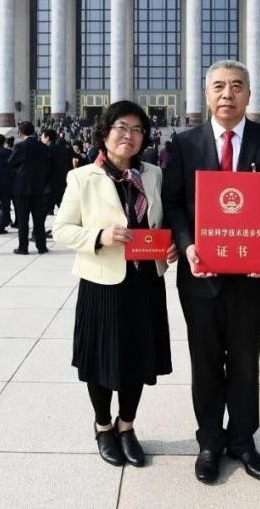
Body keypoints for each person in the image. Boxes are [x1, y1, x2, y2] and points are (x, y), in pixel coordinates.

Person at [162, 60, 260, 485]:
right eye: (218, 86)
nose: (227, 94)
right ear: (205, 94)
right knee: (204, 361)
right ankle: (209, 442)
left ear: (249, 94)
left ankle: (243, 439)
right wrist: (187, 246)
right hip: (201, 275)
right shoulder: (183, 144)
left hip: (255, 277)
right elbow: (175, 203)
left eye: (237, 86)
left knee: (244, 358)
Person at [54, 100, 178, 468]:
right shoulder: (82, 177)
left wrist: (169, 245)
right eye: (121, 128)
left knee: (139, 359)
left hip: (145, 281)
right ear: (105, 134)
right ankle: (103, 424)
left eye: (137, 130)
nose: (129, 136)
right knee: (101, 360)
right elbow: (61, 229)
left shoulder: (153, 174)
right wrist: (99, 236)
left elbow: (161, 220)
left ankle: (127, 426)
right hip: (104, 282)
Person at [8, 121, 50, 255]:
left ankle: (23, 247)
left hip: (21, 188)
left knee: (23, 220)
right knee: (38, 220)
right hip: (38, 187)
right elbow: (47, 165)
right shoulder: (42, 147)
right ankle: (41, 246)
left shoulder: (19, 146)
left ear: (20, 133)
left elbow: (10, 163)